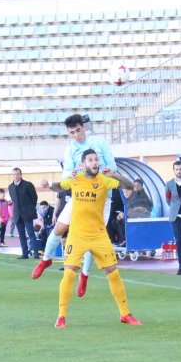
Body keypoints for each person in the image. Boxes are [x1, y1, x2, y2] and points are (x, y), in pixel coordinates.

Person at [45, 149, 141, 328]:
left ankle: (125, 313)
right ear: (83, 165)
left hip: (98, 235)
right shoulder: (76, 179)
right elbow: (60, 187)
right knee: (69, 272)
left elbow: (129, 186)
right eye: (90, 160)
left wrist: (116, 175)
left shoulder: (104, 180)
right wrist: (49, 184)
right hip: (77, 235)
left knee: (113, 272)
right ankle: (61, 316)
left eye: (96, 160)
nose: (94, 163)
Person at [32, 114, 117, 282]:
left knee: (91, 240)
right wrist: (69, 174)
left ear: (83, 127)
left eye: (78, 130)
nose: (76, 135)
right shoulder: (70, 149)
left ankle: (84, 275)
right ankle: (46, 259)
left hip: (101, 199)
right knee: (59, 228)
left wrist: (106, 171)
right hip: (80, 196)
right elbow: (66, 176)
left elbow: (113, 165)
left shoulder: (99, 143)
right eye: (72, 132)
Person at [7, 168, 39, 259]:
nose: (16, 176)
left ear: (21, 174)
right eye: (14, 174)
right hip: (17, 214)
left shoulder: (28, 185)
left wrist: (30, 208)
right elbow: (13, 200)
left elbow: (34, 198)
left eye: (17, 174)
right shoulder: (10, 187)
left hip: (27, 213)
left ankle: (35, 253)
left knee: (31, 233)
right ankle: (24, 254)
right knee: (21, 235)